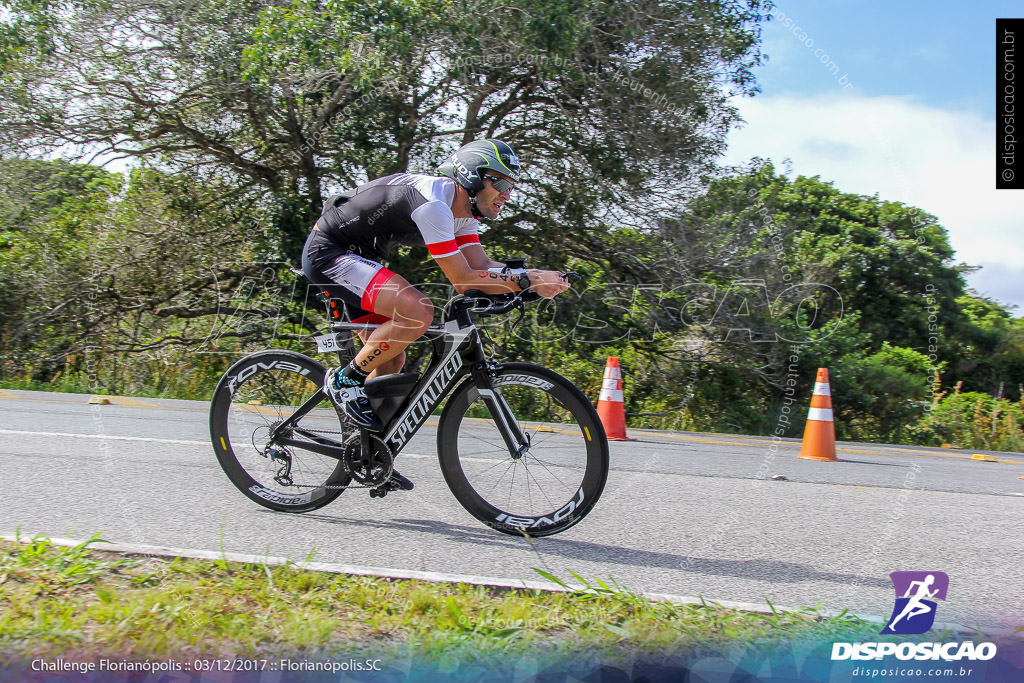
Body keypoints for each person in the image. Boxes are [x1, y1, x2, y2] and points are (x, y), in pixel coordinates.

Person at [301, 139, 569, 443]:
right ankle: (344, 381)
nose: (507, 195)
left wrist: (532, 281)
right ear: (473, 176)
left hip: (360, 258)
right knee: (417, 311)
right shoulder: (434, 206)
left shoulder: (462, 212)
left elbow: (481, 264)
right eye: (502, 182)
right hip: (328, 253)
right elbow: (464, 280)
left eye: (512, 186)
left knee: (390, 360)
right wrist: (530, 279)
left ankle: (366, 450)